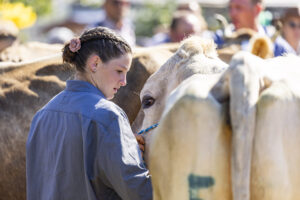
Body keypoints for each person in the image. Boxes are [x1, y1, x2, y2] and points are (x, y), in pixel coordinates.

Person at [26, 27, 152, 200]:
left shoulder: (42, 115)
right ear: (95, 63)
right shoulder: (108, 116)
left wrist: (127, 148)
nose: (123, 82)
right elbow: (139, 192)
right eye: (119, 71)